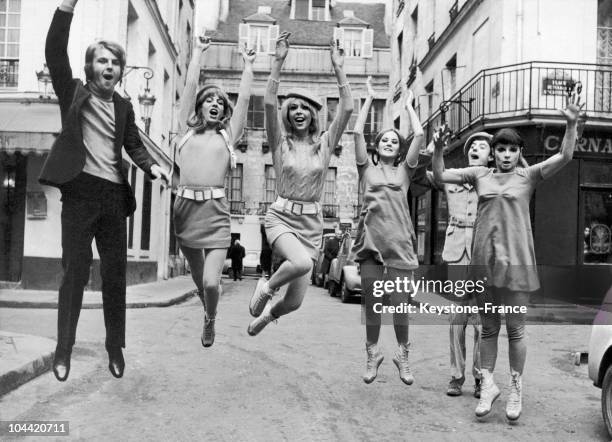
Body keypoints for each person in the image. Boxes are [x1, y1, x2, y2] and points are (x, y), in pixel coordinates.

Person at [432, 86, 584, 420]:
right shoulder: (479, 175)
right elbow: (441, 174)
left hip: (515, 267)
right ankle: (487, 386)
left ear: (518, 153)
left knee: (515, 330)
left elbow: (565, 157)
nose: (505, 154)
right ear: (493, 153)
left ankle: (515, 390)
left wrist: (571, 125)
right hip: (483, 267)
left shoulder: (528, 176)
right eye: (500, 148)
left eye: (511, 149)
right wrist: (440, 148)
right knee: (488, 330)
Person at [40, 0, 169, 381]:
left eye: (115, 63)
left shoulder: (126, 107)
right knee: (74, 274)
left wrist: (153, 167)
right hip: (80, 194)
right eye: (102, 61)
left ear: (121, 71)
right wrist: (67, 7)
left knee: (115, 277)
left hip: (113, 198)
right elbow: (54, 50)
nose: (109, 67)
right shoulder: (73, 93)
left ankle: (115, 347)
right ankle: (63, 350)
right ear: (90, 67)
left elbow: (134, 145)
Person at [247, 32, 353, 335]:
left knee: (294, 302)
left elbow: (346, 108)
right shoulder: (280, 142)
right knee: (303, 264)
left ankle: (268, 315)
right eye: (293, 108)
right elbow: (268, 102)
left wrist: (338, 67)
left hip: (311, 223)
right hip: (280, 217)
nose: (299, 112)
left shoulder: (324, 146)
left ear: (313, 115)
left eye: (305, 108)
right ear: (287, 114)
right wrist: (277, 63)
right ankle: (266, 287)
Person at [174, 34, 255, 347]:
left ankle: (210, 319)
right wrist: (197, 52)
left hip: (216, 214)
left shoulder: (228, 137)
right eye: (209, 100)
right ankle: (207, 310)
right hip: (185, 213)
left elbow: (245, 100)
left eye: (220, 103)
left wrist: (248, 66)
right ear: (199, 107)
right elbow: (189, 88)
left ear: (224, 112)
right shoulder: (184, 130)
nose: (214, 104)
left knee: (211, 281)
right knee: (198, 280)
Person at [352, 76, 424, 384]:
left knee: (399, 305)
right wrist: (369, 99)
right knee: (372, 305)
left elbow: (419, 134)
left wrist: (408, 106)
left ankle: (402, 355)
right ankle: (372, 354)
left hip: (399, 244)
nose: (390, 144)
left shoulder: (405, 172)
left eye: (394, 141)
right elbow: (356, 131)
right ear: (377, 146)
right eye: (385, 140)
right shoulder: (366, 169)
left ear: (399, 148)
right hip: (370, 243)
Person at [421, 131, 492, 398]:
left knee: (481, 322)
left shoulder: (493, 179)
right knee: (457, 319)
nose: (476, 148)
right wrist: (436, 148)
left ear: (491, 155)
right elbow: (432, 174)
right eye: (472, 145)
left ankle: (478, 377)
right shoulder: (454, 176)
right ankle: (456, 375)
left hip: (483, 251)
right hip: (457, 252)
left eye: (482, 146)